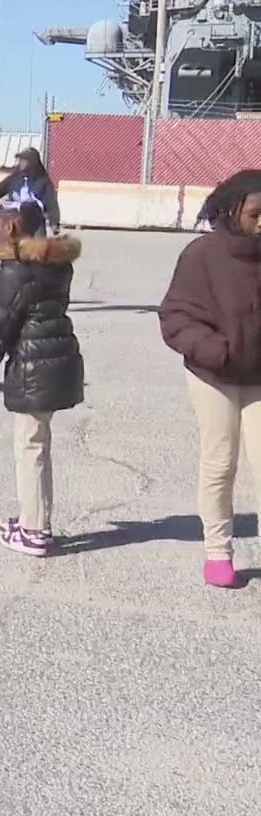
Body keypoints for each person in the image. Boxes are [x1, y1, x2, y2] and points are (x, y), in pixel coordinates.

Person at [0, 200, 83, 558]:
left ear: (12, 228)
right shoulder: (56, 261)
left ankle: (34, 531)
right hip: (58, 356)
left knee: (31, 448)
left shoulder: (16, 269)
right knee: (36, 444)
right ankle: (34, 516)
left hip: (35, 365)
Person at [158, 170, 261, 589]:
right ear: (233, 210)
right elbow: (175, 317)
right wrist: (212, 349)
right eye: (256, 214)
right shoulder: (202, 254)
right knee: (220, 462)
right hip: (213, 374)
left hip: (259, 375)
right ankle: (218, 551)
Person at [0, 147, 59, 242]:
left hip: (35, 219)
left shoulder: (43, 180)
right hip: (15, 218)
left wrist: (54, 223)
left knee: (38, 248)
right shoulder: (14, 178)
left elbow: (51, 202)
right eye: (20, 160)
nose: (20, 162)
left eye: (24, 160)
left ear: (32, 162)